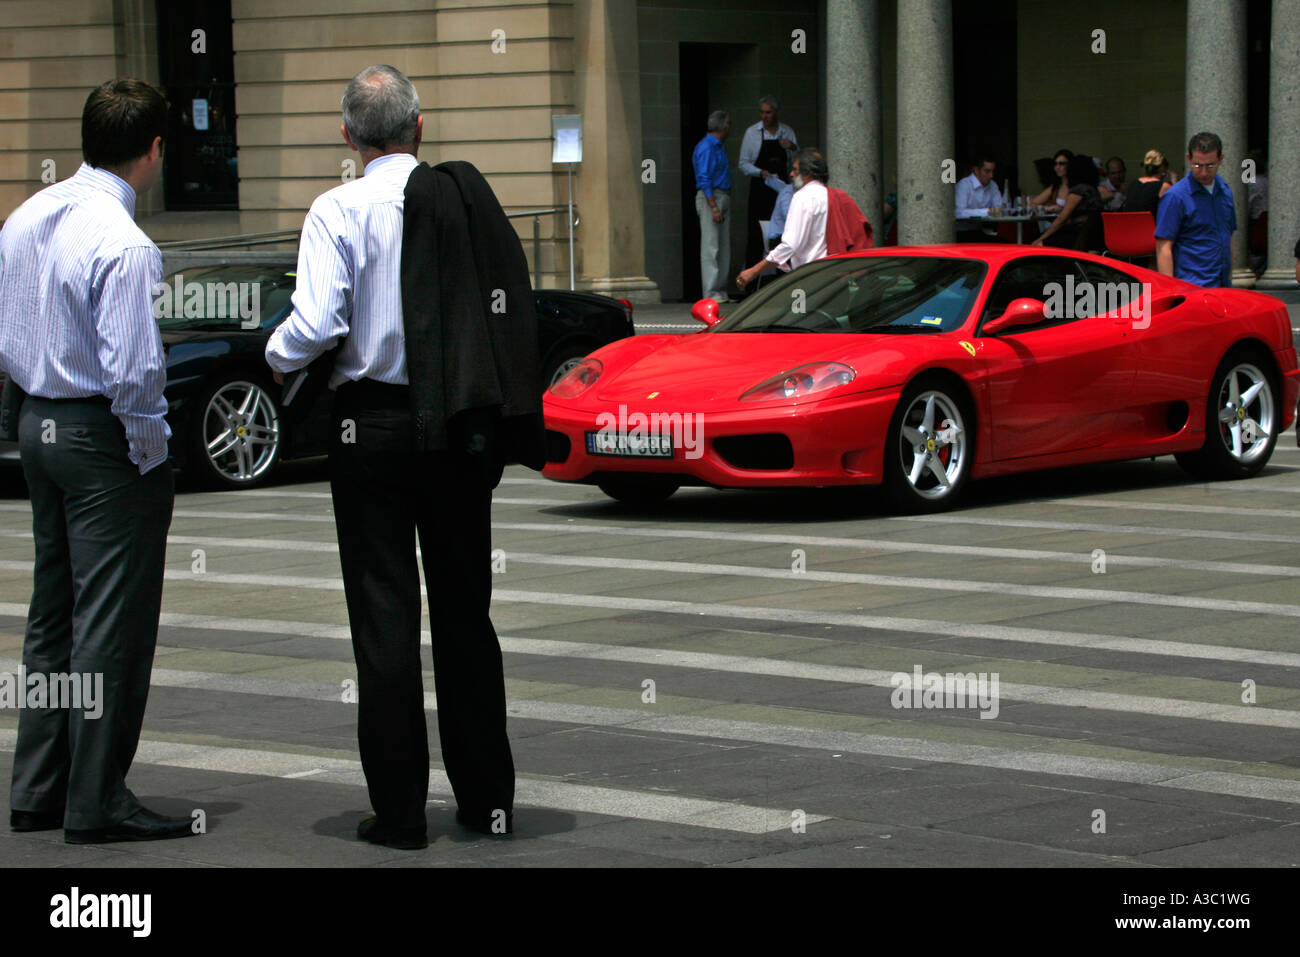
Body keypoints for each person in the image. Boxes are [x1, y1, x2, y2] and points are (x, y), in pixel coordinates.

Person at [265, 65, 541, 849]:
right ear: (420, 127)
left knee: (384, 621)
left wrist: (276, 354)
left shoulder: (336, 208)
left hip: (372, 431)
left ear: (347, 136)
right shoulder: (458, 200)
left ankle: (397, 813)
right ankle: (487, 801)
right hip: (455, 425)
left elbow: (316, 322)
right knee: (465, 616)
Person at [0, 79, 196, 844]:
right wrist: (152, 453)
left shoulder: (27, 217)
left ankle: (39, 785)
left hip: (37, 420)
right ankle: (97, 797)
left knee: (53, 614)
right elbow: (135, 375)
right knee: (110, 623)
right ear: (153, 151)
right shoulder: (123, 242)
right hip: (95, 435)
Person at [735, 148, 827, 291]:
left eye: (795, 170)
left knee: (799, 311)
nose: (791, 174)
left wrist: (753, 271)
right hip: (825, 273)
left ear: (807, 173)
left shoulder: (801, 196)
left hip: (803, 276)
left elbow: (790, 244)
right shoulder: (829, 195)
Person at [1154, 131, 1236, 288]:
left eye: (1210, 165)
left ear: (1221, 159)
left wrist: (1229, 278)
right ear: (1189, 159)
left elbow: (1229, 236)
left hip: (1222, 285)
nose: (1204, 172)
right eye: (1198, 165)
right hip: (1191, 286)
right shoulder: (1175, 197)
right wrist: (1170, 291)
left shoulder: (1225, 191)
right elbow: (1163, 247)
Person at [738, 96, 798, 272]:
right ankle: (751, 278)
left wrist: (792, 148)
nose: (765, 116)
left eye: (769, 112)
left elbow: (798, 162)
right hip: (760, 189)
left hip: (781, 190)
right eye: (762, 112)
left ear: (776, 112)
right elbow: (743, 163)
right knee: (756, 234)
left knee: (783, 233)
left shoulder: (787, 132)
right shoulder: (752, 133)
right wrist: (760, 172)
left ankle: (782, 274)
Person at [692, 110, 732, 301]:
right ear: (724, 127)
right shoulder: (708, 147)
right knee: (711, 246)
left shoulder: (718, 146)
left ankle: (720, 290)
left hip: (721, 195)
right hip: (712, 197)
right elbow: (704, 178)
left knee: (723, 247)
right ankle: (710, 292)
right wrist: (713, 206)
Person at [1033, 153, 1103, 250]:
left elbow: (1062, 219)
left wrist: (1041, 238)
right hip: (1091, 237)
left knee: (1040, 245)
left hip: (1080, 237)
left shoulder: (1078, 191)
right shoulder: (1090, 189)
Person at [955, 154, 1004, 242]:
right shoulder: (964, 185)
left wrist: (998, 210)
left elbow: (999, 208)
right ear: (976, 170)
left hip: (980, 231)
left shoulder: (993, 185)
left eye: (993, 171)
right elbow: (959, 213)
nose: (991, 175)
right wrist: (987, 212)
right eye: (987, 171)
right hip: (961, 233)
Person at [1122, 149, 1172, 217]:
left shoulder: (1133, 184)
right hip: (1152, 226)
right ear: (1163, 167)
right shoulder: (1164, 186)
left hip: (1130, 225)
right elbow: (1171, 212)